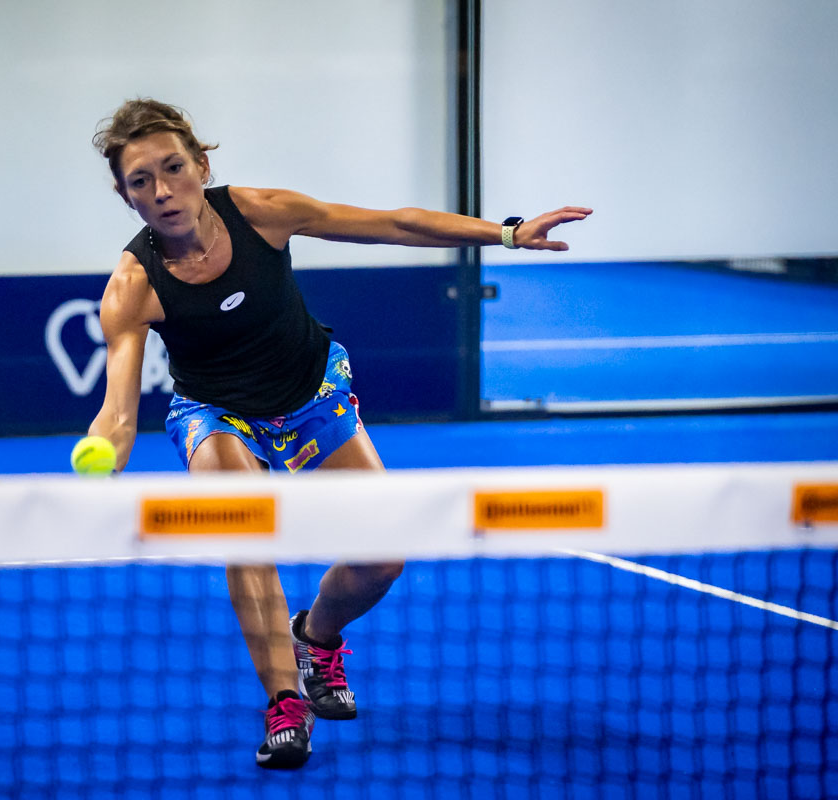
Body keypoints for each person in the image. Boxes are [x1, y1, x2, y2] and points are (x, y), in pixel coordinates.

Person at [84, 98, 591, 769]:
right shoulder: (132, 286)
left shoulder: (261, 213)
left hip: (308, 393)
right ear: (125, 195)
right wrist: (98, 468)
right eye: (141, 181)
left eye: (173, 168)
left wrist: (507, 233)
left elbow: (393, 224)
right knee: (243, 528)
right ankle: (284, 704)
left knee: (383, 558)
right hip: (216, 411)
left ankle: (316, 636)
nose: (162, 190)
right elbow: (118, 415)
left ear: (202, 166)